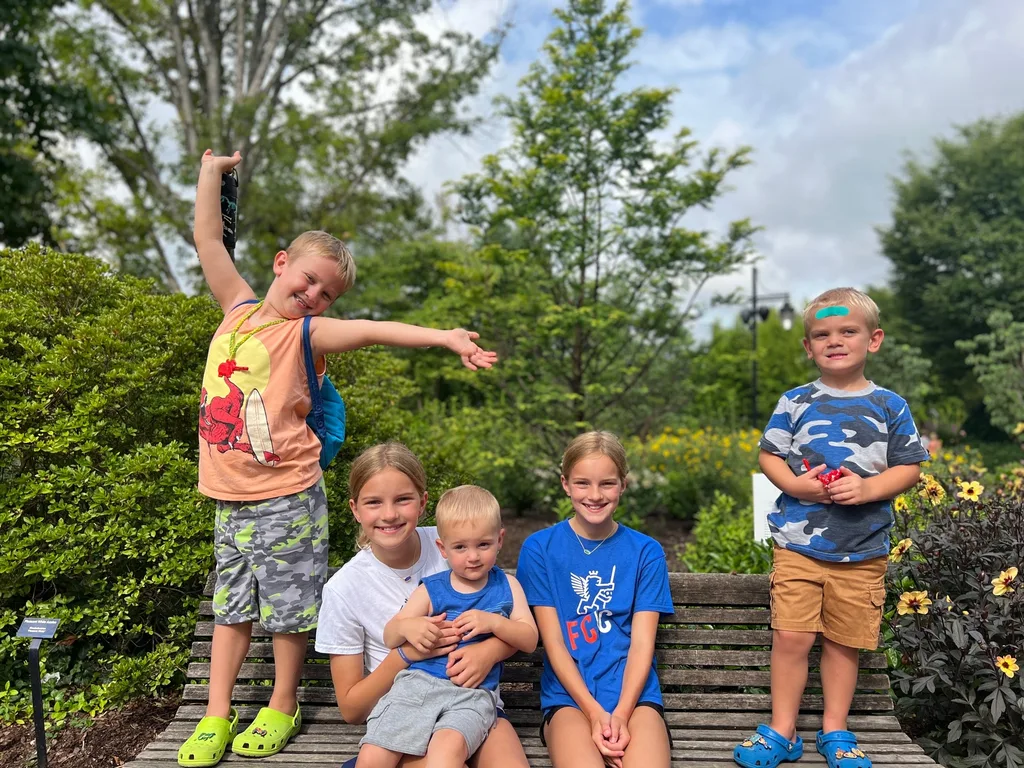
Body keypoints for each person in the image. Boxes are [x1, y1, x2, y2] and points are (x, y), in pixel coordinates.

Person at [176, 151, 498, 768]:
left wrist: (445, 337)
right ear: (281, 263)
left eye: (327, 293)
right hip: (229, 498)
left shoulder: (308, 333)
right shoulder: (236, 307)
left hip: (287, 497)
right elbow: (208, 240)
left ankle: (283, 704)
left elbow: (375, 328)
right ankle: (215, 713)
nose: (313, 295)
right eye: (308, 280)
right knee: (231, 608)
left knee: (289, 611)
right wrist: (211, 173)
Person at [733, 288, 928, 768]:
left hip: (862, 551)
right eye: (822, 334)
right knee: (792, 638)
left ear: (873, 339)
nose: (834, 340)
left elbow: (909, 467)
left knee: (843, 643)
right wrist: (794, 485)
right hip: (797, 547)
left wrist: (869, 488)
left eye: (847, 331)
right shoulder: (795, 401)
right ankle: (782, 730)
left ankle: (835, 729)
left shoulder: (890, 405)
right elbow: (768, 455)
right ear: (808, 347)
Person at [315, 443, 532, 768]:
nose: (390, 514)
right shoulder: (344, 589)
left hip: (471, 699)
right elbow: (352, 709)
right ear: (355, 509)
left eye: (403, 499)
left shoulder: (458, 539)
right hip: (405, 705)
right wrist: (406, 655)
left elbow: (502, 609)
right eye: (374, 502)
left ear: (423, 503)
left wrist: (489, 652)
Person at [516, 431, 674, 768]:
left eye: (607, 483)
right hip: (570, 700)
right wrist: (594, 714)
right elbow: (554, 643)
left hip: (635, 699)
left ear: (623, 485)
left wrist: (620, 715)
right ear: (565, 484)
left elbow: (642, 644)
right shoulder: (540, 549)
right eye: (582, 483)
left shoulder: (646, 552)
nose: (595, 495)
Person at [355, 485, 538, 767]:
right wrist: (410, 627)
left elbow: (529, 638)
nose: (473, 556)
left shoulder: (508, 587)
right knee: (372, 757)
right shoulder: (432, 589)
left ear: (500, 540)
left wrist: (494, 622)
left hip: (472, 694)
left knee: (445, 755)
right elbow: (391, 635)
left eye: (483, 545)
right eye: (460, 547)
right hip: (416, 687)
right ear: (443, 548)